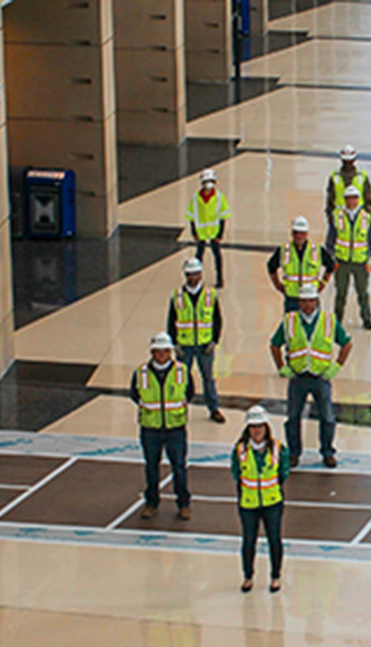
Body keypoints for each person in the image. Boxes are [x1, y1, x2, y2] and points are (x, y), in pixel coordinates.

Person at [270, 284, 353, 468]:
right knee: (293, 417)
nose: (308, 305)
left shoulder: (329, 321)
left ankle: (327, 452)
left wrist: (337, 366)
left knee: (327, 417)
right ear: (299, 302)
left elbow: (346, 343)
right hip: (298, 377)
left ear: (317, 301)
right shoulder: (289, 321)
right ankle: (294, 453)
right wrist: (282, 368)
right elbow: (275, 345)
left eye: (311, 301)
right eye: (304, 301)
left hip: (320, 377)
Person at [130, 332, 194, 520]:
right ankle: (151, 503)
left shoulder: (182, 371)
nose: (161, 355)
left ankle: (183, 504)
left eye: (165, 351)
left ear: (171, 352)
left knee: (179, 467)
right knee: (151, 467)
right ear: (152, 352)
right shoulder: (141, 373)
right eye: (158, 351)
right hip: (151, 427)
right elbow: (135, 394)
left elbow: (188, 393)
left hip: (175, 427)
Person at [233, 406, 290, 593]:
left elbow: (283, 473)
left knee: (274, 539)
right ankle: (248, 576)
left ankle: (275, 576)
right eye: (253, 426)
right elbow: (236, 474)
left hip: (272, 502)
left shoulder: (278, 449)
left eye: (260, 426)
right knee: (249, 541)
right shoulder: (240, 450)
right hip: (248, 503)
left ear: (266, 427)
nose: (257, 430)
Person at [168, 258, 226, 424]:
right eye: (189, 275)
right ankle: (179, 409)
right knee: (181, 379)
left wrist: (214, 341)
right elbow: (171, 321)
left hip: (204, 344)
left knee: (208, 378)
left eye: (195, 274)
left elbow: (217, 319)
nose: (193, 278)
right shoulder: (177, 296)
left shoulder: (210, 295)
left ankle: (214, 408)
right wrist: (175, 344)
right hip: (184, 345)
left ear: (201, 274)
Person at [327, 185, 371, 330]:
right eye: (349, 199)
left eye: (354, 198)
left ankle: (367, 319)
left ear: (358, 200)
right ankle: (337, 319)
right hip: (342, 262)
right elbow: (330, 239)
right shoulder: (337, 217)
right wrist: (332, 257)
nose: (351, 202)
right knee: (340, 293)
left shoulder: (365, 218)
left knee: (363, 293)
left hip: (360, 262)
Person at [266, 216, 335, 313]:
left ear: (307, 234)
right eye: (296, 233)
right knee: (291, 326)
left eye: (302, 233)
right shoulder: (285, 250)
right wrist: (277, 284)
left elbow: (331, 265)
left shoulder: (316, 250)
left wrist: (323, 283)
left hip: (310, 297)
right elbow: (271, 266)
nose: (299, 236)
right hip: (292, 297)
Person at [185, 169, 229, 288]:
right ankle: (196, 278)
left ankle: (220, 278)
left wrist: (220, 235)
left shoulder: (219, 197)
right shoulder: (195, 199)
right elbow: (192, 217)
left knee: (217, 256)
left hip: (214, 232)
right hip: (201, 233)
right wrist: (194, 233)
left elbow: (223, 217)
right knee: (199, 256)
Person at [325, 144, 371, 230]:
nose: (348, 164)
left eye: (349, 161)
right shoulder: (335, 177)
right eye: (346, 161)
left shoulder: (362, 177)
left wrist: (367, 218)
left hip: (359, 219)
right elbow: (330, 202)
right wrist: (331, 218)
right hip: (339, 220)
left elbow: (369, 201)